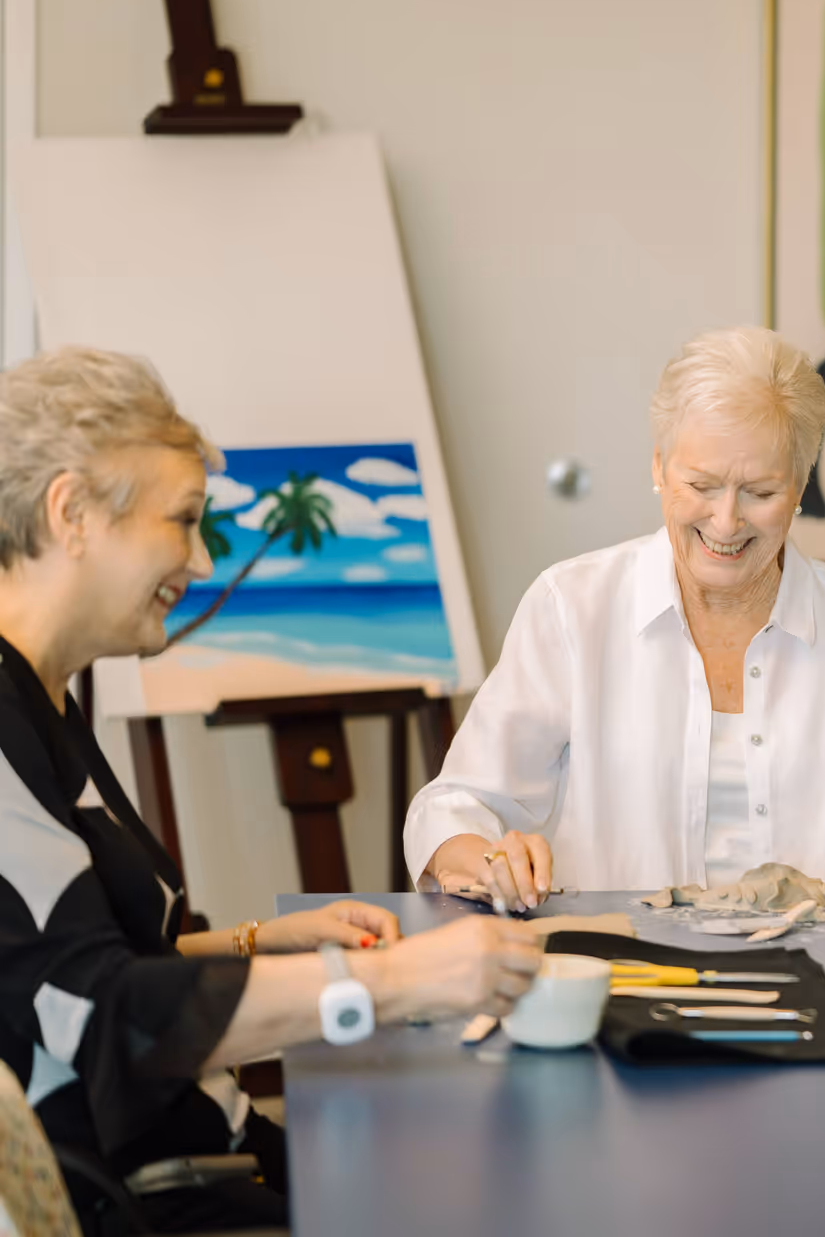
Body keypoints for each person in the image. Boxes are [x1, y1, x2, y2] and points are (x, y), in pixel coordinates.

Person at [0, 348, 544, 1233]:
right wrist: (394, 980)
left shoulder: (50, 698)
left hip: (216, 1152)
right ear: (71, 513)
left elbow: (78, 961)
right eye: (183, 521)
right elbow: (96, 1018)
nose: (205, 562)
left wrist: (262, 941)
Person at [405, 327, 825, 911]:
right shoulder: (572, 607)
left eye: (760, 491)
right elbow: (455, 806)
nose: (726, 521)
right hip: (618, 975)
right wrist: (489, 859)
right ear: (659, 467)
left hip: (822, 974)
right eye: (701, 485)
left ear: (800, 485)